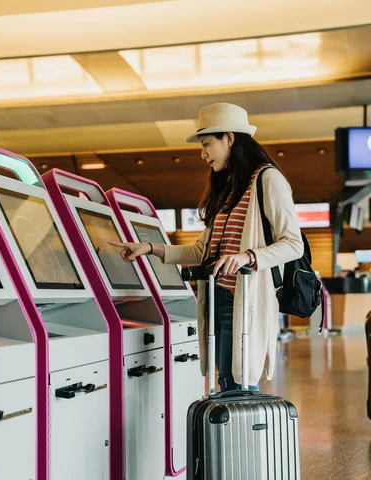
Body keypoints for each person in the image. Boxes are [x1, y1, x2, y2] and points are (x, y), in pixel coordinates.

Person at [110, 103, 303, 391]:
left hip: (244, 300)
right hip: (217, 299)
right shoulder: (228, 190)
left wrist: (247, 257)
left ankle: (241, 436)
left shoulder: (268, 180)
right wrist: (151, 248)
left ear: (229, 138)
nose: (203, 154)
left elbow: (293, 244)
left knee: (238, 385)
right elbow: (203, 251)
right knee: (226, 382)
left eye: (206, 144)